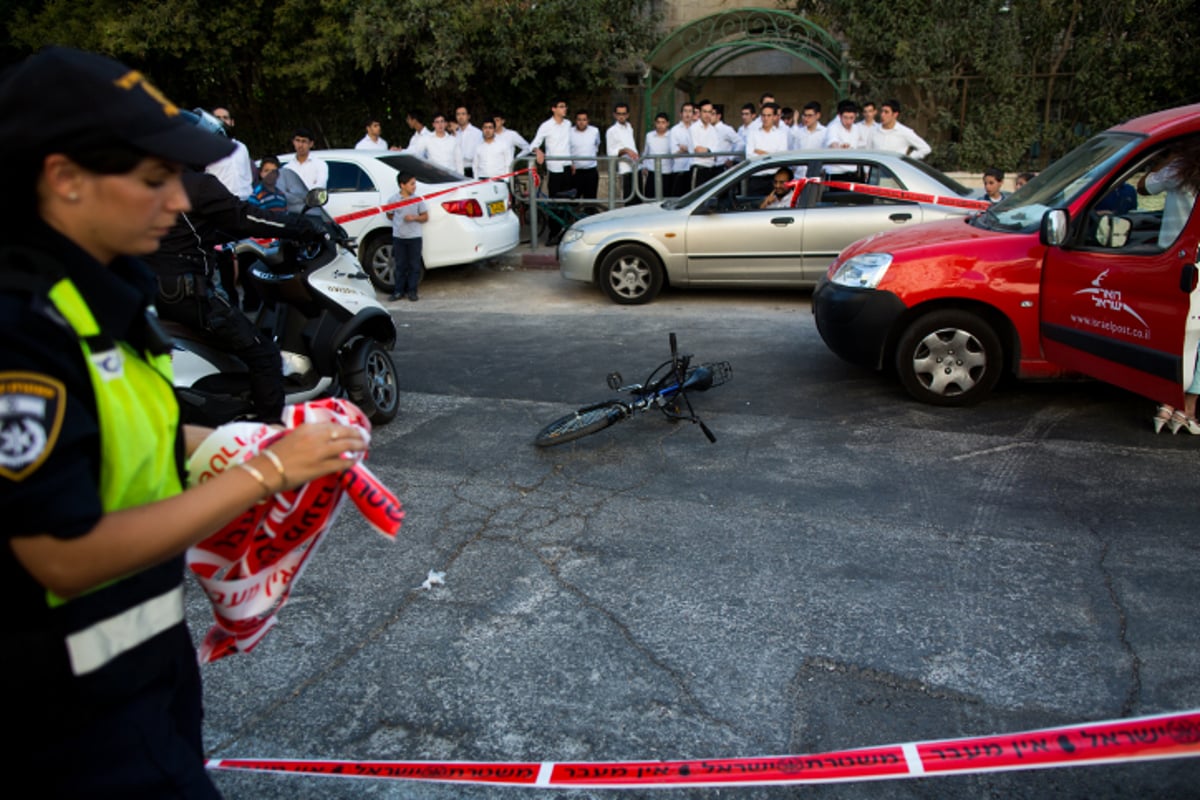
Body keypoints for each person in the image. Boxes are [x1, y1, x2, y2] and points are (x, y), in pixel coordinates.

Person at [0, 45, 367, 799]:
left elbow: (127, 435)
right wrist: (272, 470)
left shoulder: (104, 291)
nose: (177, 201)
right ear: (64, 179)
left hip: (141, 675)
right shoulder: (20, 328)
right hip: (57, 722)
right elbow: (60, 555)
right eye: (153, 180)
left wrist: (245, 442)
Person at [145, 163, 326, 422]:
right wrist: (302, 226)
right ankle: (269, 428)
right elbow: (246, 217)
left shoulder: (143, 186)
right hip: (188, 296)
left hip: (149, 295)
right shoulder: (196, 185)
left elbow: (193, 229)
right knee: (264, 354)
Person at [386, 171, 428, 302]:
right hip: (399, 237)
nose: (414, 186)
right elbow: (389, 214)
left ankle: (412, 291)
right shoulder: (393, 200)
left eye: (414, 184)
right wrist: (399, 221)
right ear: (402, 185)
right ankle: (398, 291)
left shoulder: (417, 200)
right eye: (411, 184)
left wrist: (414, 217)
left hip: (414, 237)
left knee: (414, 266)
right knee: (400, 266)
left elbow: (425, 216)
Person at [205, 107, 253, 199]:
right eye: (218, 118)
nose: (222, 121)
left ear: (232, 122)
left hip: (245, 201)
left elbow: (248, 176)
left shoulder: (241, 148)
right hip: (220, 201)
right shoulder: (206, 147)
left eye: (225, 118)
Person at [606, 102, 639, 203]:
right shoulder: (612, 131)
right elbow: (610, 152)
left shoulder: (629, 127)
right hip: (625, 170)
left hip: (636, 167)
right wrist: (625, 150)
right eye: (619, 114)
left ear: (627, 115)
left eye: (624, 114)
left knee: (638, 201)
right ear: (615, 115)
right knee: (629, 200)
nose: (621, 116)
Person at [640, 111, 674, 201]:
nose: (660, 125)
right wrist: (644, 166)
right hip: (652, 172)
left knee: (666, 199)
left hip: (667, 172)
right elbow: (646, 152)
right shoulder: (649, 136)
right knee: (650, 199)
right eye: (658, 122)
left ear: (667, 123)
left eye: (663, 122)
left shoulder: (672, 135)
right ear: (655, 123)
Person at [689, 99, 722, 188]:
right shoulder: (693, 128)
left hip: (711, 169)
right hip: (698, 168)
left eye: (710, 112)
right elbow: (697, 150)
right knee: (696, 198)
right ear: (699, 113)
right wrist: (710, 152)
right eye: (705, 112)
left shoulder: (714, 130)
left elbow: (716, 152)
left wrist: (707, 151)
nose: (707, 115)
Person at [568, 109, 600, 199]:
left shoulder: (595, 131)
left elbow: (596, 145)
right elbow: (567, 149)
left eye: (584, 119)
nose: (581, 122)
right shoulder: (569, 132)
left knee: (591, 199)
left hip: (591, 171)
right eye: (579, 119)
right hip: (575, 172)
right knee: (574, 199)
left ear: (588, 121)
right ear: (575, 121)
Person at [668, 101, 696, 195]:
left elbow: (697, 148)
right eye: (685, 111)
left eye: (690, 111)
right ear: (681, 114)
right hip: (679, 169)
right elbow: (674, 152)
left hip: (693, 168)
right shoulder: (674, 130)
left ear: (693, 114)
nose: (687, 114)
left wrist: (685, 149)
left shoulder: (697, 129)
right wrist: (691, 149)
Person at [454, 105, 482, 177]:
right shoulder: (455, 134)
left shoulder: (477, 133)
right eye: (458, 114)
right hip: (457, 170)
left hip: (471, 170)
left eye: (463, 114)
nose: (460, 117)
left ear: (468, 116)